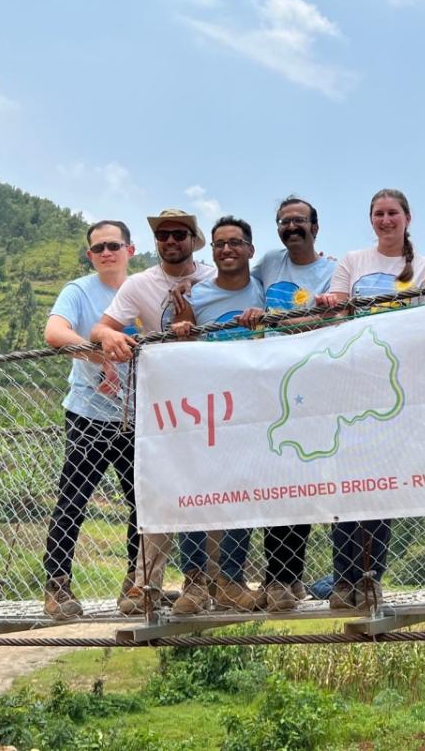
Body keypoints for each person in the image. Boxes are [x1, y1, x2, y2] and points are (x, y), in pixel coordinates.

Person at [89, 208, 215, 614]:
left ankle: (203, 583)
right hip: (160, 405)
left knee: (207, 490)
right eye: (164, 236)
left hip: (212, 402)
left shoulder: (213, 278)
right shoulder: (140, 284)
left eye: (179, 234)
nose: (171, 241)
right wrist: (111, 336)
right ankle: (146, 585)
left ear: (193, 240)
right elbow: (101, 328)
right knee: (158, 491)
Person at [315, 189, 425, 609]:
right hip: (350, 384)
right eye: (378, 214)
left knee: (378, 487)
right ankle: (342, 580)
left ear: (407, 218)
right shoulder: (352, 261)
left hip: (395, 388)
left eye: (392, 213)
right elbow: (338, 314)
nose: (386, 220)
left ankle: (368, 578)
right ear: (371, 220)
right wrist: (331, 304)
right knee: (345, 484)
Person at [162, 216, 266, 614]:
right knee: (196, 492)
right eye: (220, 244)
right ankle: (194, 583)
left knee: (240, 493)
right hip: (203, 408)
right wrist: (181, 327)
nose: (227, 250)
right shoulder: (196, 296)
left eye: (236, 243)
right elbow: (175, 346)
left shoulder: (264, 288)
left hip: (251, 409)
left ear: (250, 250)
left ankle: (230, 581)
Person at [242, 197, 338, 611]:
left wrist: (275, 320)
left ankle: (290, 579)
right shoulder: (266, 264)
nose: (292, 227)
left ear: (316, 227)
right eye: (284, 222)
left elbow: (333, 320)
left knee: (308, 483)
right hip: (272, 386)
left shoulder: (333, 271)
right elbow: (236, 283)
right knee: (275, 485)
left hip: (316, 386)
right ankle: (283, 580)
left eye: (299, 221)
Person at [41, 220, 139, 620]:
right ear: (90, 255)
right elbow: (54, 332)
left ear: (130, 250)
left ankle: (137, 586)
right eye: (98, 248)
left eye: (113, 245)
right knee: (73, 500)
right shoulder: (79, 291)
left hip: (139, 414)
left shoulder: (143, 289)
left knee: (142, 503)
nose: (106, 253)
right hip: (89, 413)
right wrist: (96, 353)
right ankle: (57, 588)